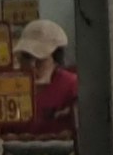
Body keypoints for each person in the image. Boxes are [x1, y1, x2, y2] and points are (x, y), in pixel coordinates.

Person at [16, 15, 81, 144]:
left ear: (55, 57)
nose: (32, 65)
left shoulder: (71, 86)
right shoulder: (9, 88)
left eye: (40, 59)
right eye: (27, 57)